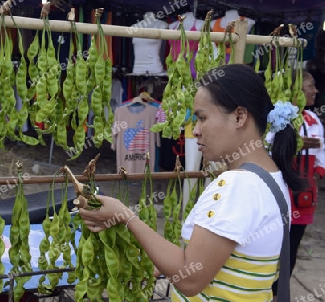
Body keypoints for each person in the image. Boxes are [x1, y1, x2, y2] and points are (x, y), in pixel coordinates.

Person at [79, 64, 304, 300]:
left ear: (239, 117)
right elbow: (213, 263)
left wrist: (125, 216)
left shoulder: (238, 186)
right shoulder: (271, 177)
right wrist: (157, 264)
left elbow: (189, 278)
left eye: (202, 118)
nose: (195, 130)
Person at [271, 70, 324, 299]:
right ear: (297, 91)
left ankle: (280, 293)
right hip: (280, 190)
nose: (315, 90)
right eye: (311, 85)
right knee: (272, 245)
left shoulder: (313, 121)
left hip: (303, 194)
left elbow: (321, 153)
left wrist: (318, 171)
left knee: (292, 248)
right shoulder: (275, 119)